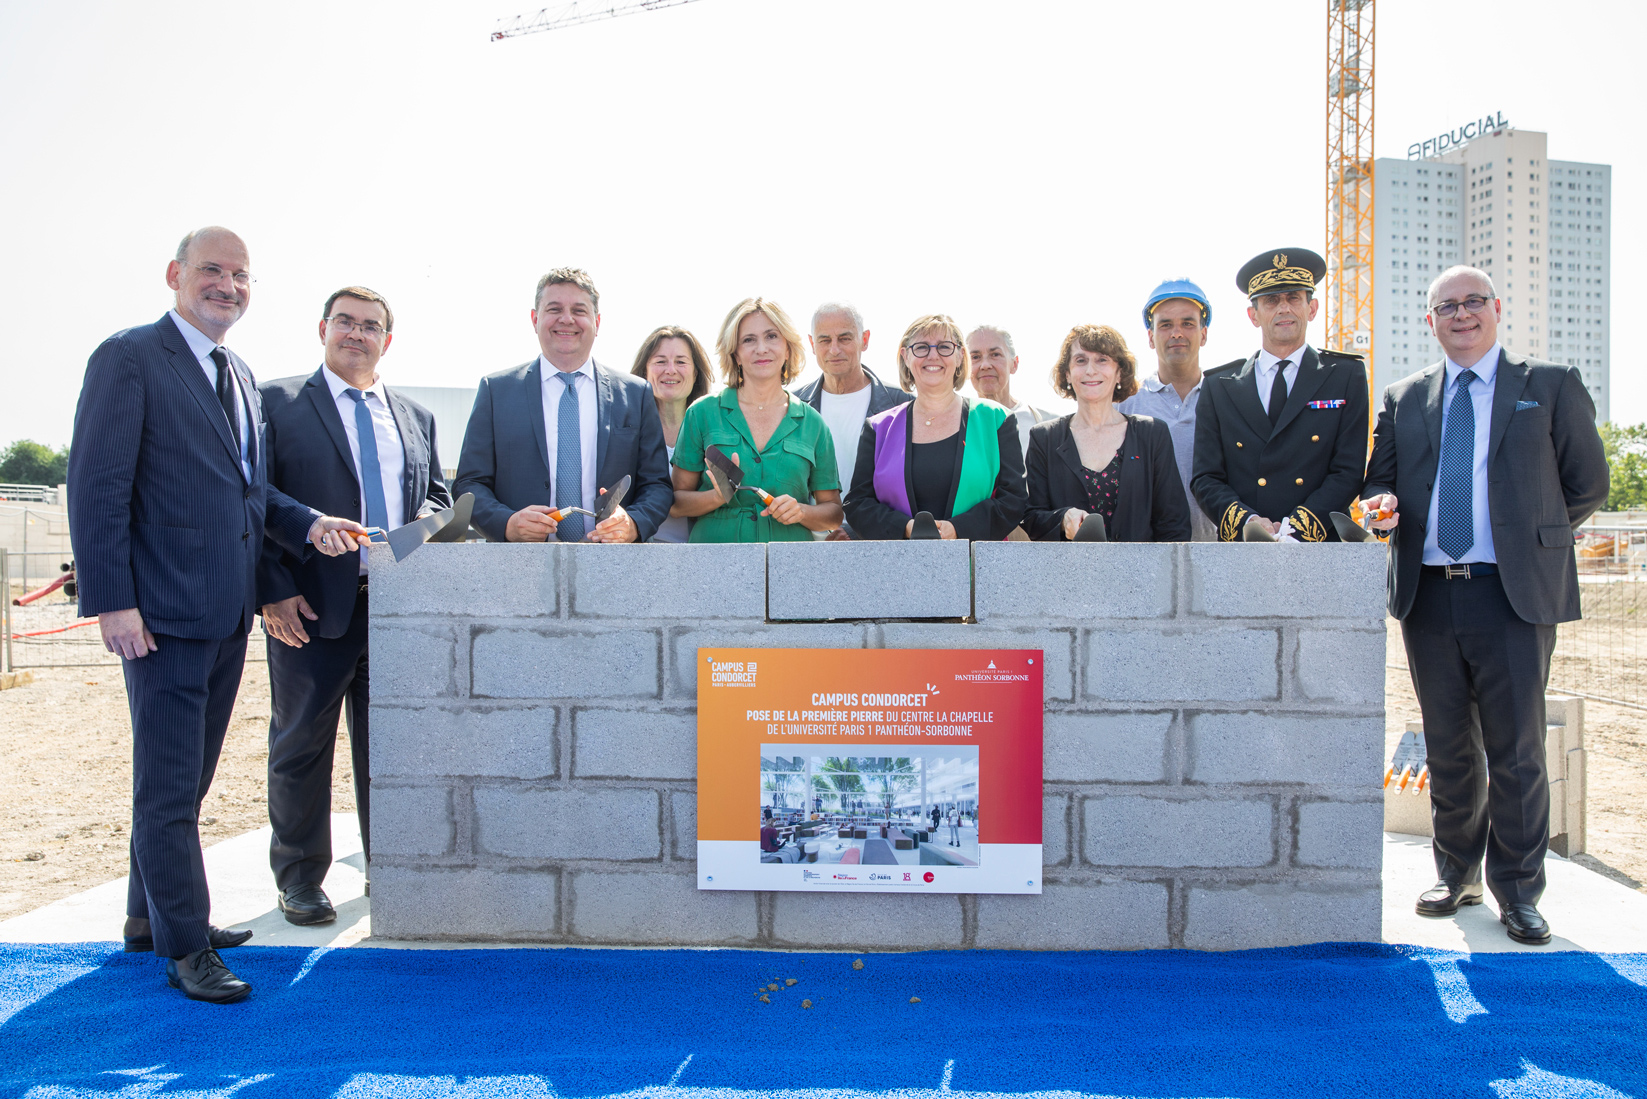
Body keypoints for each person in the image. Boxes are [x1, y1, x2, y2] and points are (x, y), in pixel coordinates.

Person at [67, 227, 363, 1004]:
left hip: (224, 613)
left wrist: (309, 522)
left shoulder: (235, 372)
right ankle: (185, 944)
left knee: (188, 780)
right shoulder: (129, 358)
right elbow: (95, 485)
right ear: (175, 274)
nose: (226, 285)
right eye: (211, 270)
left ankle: (147, 918)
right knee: (166, 786)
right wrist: (113, 601)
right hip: (158, 612)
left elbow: (250, 493)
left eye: (239, 274)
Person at [1359, 265, 1608, 946]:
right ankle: (1456, 873)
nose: (1461, 314)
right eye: (1446, 305)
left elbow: (1586, 482)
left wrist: (1527, 540)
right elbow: (1378, 485)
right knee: (1447, 746)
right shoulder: (1404, 397)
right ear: (1429, 320)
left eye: (1473, 302)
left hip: (1512, 593)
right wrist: (1378, 508)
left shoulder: (1548, 386)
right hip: (1429, 592)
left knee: (1517, 749)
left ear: (1496, 309)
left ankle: (1518, 891)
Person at [257, 286, 452, 926]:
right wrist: (271, 589)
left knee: (390, 748)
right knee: (301, 745)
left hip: (395, 611)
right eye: (345, 321)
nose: (356, 333)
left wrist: (425, 518)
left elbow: (441, 498)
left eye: (370, 326)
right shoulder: (278, 404)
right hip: (308, 610)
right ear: (322, 328)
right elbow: (254, 499)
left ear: (386, 341)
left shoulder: (415, 416)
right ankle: (301, 878)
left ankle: (387, 866)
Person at [454, 268, 673, 543]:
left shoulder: (635, 394)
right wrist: (508, 523)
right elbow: (468, 485)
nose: (567, 319)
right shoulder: (495, 391)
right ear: (535, 319)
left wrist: (632, 523)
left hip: (612, 566)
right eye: (554, 309)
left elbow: (657, 485)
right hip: (520, 569)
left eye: (579, 310)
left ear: (597, 321)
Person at [1191, 249, 1368, 541]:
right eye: (1272, 300)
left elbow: (1348, 471)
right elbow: (1205, 477)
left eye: (1294, 298)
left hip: (1319, 546)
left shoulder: (1345, 375)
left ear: (1312, 308)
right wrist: (1248, 524)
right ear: (1253, 315)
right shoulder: (1219, 385)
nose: (1284, 308)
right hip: (1245, 546)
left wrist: (1296, 529)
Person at [670, 298, 844, 541]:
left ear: (787, 349)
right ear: (736, 354)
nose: (761, 348)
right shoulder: (702, 413)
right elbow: (675, 502)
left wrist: (801, 511)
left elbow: (834, 513)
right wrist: (717, 497)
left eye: (772, 336)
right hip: (713, 565)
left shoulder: (814, 424)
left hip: (790, 564)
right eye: (748, 340)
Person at [844, 315, 1027, 541]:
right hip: (898, 567)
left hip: (978, 567)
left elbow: (1014, 500)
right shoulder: (879, 427)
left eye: (944, 347)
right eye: (921, 347)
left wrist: (958, 529)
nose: (933, 355)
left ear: (961, 356)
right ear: (906, 356)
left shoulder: (997, 420)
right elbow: (858, 504)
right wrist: (905, 528)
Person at [1024, 325, 1190, 542]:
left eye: (1102, 360)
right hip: (1068, 574)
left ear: (1119, 372)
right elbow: (1031, 518)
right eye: (1081, 360)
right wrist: (1062, 520)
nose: (1091, 370)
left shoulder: (1152, 435)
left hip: (1143, 574)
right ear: (1067, 374)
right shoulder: (1043, 438)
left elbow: (1174, 523)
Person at [793, 302, 912, 537]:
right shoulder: (791, 407)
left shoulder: (904, 405)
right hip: (805, 547)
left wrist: (857, 531)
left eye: (845, 338)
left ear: (865, 339)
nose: (834, 349)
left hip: (880, 547)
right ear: (812, 344)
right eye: (825, 340)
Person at [1118, 280, 1217, 541]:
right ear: (1151, 337)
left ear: (1203, 334)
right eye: (1165, 325)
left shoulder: (1223, 399)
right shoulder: (1125, 403)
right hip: (1148, 556)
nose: (1176, 333)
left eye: (1187, 323)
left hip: (1218, 555)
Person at [629, 325, 714, 543]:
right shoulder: (625, 432)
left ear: (696, 373)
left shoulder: (715, 430)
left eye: (680, 362)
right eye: (660, 361)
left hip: (702, 554)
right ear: (644, 372)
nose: (670, 370)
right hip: (639, 556)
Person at [966, 325, 1057, 465]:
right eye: (975, 357)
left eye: (995, 354)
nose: (985, 365)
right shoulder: (956, 424)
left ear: (1014, 364)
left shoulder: (1048, 425)